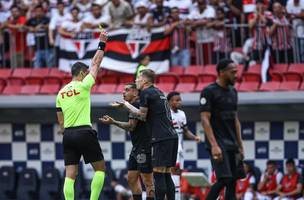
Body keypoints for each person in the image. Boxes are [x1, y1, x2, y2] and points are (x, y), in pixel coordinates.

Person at [55, 30, 108, 200]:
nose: (88, 74)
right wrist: (102, 43)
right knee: (100, 169)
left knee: (70, 174)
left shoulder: (60, 93)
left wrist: (65, 130)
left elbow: (60, 121)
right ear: (81, 73)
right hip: (84, 132)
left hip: (68, 134)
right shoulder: (84, 85)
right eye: (85, 73)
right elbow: (96, 62)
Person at [112, 69, 178, 200]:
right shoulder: (159, 92)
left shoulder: (146, 93)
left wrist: (125, 105)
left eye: (138, 78)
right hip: (172, 136)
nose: (136, 81)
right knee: (166, 174)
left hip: (160, 138)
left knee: (158, 176)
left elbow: (142, 117)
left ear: (145, 80)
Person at [99, 83, 155, 200]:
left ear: (135, 92)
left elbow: (131, 126)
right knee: (131, 178)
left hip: (144, 148)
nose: (123, 92)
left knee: (148, 181)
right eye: (123, 90)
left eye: (127, 90)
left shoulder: (136, 104)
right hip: (137, 148)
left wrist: (113, 122)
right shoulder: (131, 105)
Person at [200, 59, 245, 200]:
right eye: (233, 72)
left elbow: (235, 120)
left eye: (236, 72)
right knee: (224, 179)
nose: (236, 75)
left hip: (233, 144)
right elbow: (205, 119)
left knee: (232, 181)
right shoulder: (209, 91)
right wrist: (214, 145)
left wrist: (240, 145)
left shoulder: (233, 92)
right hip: (218, 144)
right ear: (221, 72)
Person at [167, 91, 201, 199]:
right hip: (170, 146)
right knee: (172, 170)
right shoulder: (166, 114)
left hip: (179, 147)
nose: (179, 102)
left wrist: (194, 137)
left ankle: (176, 195)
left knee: (178, 171)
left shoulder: (182, 114)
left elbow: (185, 130)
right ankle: (173, 195)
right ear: (169, 102)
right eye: (176, 100)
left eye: (180, 100)